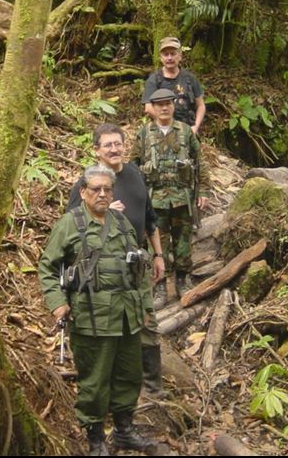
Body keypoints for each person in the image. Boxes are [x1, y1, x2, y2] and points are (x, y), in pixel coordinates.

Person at [39, 165, 157, 456]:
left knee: (129, 375)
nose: (103, 194)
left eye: (107, 189)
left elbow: (140, 267)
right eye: (96, 189)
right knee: (94, 380)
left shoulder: (122, 222)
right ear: (83, 192)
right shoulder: (70, 224)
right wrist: (57, 303)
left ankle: (124, 430)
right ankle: (95, 439)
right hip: (92, 317)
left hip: (127, 317)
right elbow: (47, 267)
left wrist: (145, 306)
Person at [67, 123, 167, 398]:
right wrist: (102, 210)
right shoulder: (88, 183)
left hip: (137, 263)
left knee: (147, 321)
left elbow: (150, 218)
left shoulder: (135, 173)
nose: (114, 149)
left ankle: (152, 388)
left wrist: (158, 255)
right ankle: (110, 387)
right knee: (111, 325)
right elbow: (71, 224)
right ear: (96, 150)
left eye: (118, 143)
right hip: (103, 267)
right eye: (108, 145)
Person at [130, 89, 210, 298]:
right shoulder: (144, 133)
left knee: (183, 241)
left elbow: (200, 163)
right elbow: (133, 166)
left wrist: (203, 191)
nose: (164, 108)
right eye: (159, 104)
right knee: (158, 244)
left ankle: (183, 279)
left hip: (182, 197)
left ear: (174, 106)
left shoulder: (185, 132)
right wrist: (136, 197)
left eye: (168, 103)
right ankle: (160, 284)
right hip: (155, 200)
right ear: (153, 108)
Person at [141, 36, 206, 134]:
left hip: (188, 130)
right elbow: (148, 108)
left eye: (173, 54)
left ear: (180, 56)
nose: (169, 58)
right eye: (166, 54)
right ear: (161, 58)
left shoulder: (190, 78)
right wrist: (170, 125)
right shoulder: (154, 80)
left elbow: (200, 105)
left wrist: (195, 126)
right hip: (163, 131)